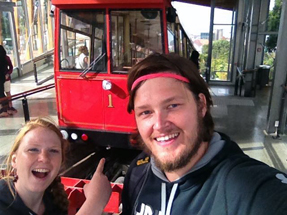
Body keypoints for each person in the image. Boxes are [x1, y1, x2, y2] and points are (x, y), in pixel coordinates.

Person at [121, 53, 287, 215]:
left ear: (201, 105)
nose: (159, 125)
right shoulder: (138, 172)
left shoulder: (248, 187)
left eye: (173, 106)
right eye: (146, 112)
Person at [0, 117, 112, 215]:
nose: (44, 158)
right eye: (33, 150)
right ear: (14, 160)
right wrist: (95, 202)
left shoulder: (54, 203)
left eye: (53, 151)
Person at [3, 47, 17, 115]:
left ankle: (10, 106)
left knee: (8, 92)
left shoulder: (6, 58)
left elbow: (11, 67)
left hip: (6, 78)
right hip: (3, 78)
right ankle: (5, 107)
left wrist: (8, 74)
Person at [0, 45, 9, 117]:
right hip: (2, 77)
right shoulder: (4, 58)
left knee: (1, 94)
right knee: (2, 93)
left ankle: (3, 110)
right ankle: (5, 109)